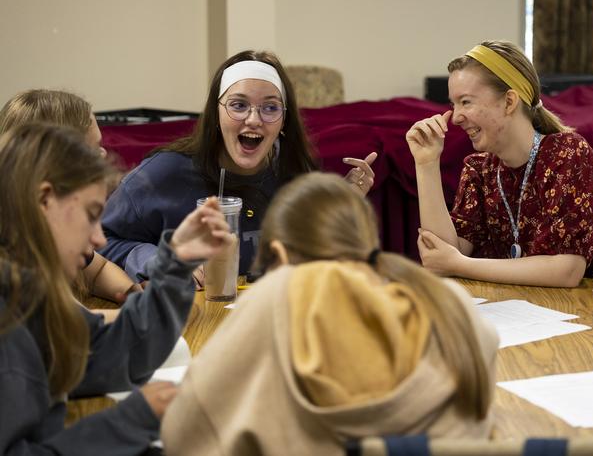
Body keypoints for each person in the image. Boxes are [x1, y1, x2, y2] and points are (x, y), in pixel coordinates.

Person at [160, 172, 497, 455]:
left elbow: (184, 433)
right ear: (369, 240)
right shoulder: (450, 301)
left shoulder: (273, 299)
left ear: (278, 254)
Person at [0, 123, 232, 454]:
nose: (99, 239)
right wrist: (132, 420)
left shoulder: (29, 298)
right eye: (91, 215)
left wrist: (176, 263)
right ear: (44, 200)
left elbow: (116, 351)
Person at [100, 50, 377, 284]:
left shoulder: (296, 175)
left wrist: (341, 209)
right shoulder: (163, 173)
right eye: (238, 105)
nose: (254, 119)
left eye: (270, 108)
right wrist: (162, 261)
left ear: (284, 121)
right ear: (216, 114)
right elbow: (102, 241)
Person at [405, 40, 593, 287]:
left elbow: (567, 271)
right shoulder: (480, 170)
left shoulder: (568, 156)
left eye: (465, 102)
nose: (455, 117)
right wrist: (426, 164)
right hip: (517, 314)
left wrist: (460, 265)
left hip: (587, 313)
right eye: (453, 104)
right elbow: (441, 256)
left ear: (509, 101)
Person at [0, 89, 142, 321]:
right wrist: (150, 313)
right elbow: (72, 328)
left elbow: (97, 271)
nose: (103, 153)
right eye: (92, 148)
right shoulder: (16, 263)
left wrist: (133, 295)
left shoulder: (55, 235)